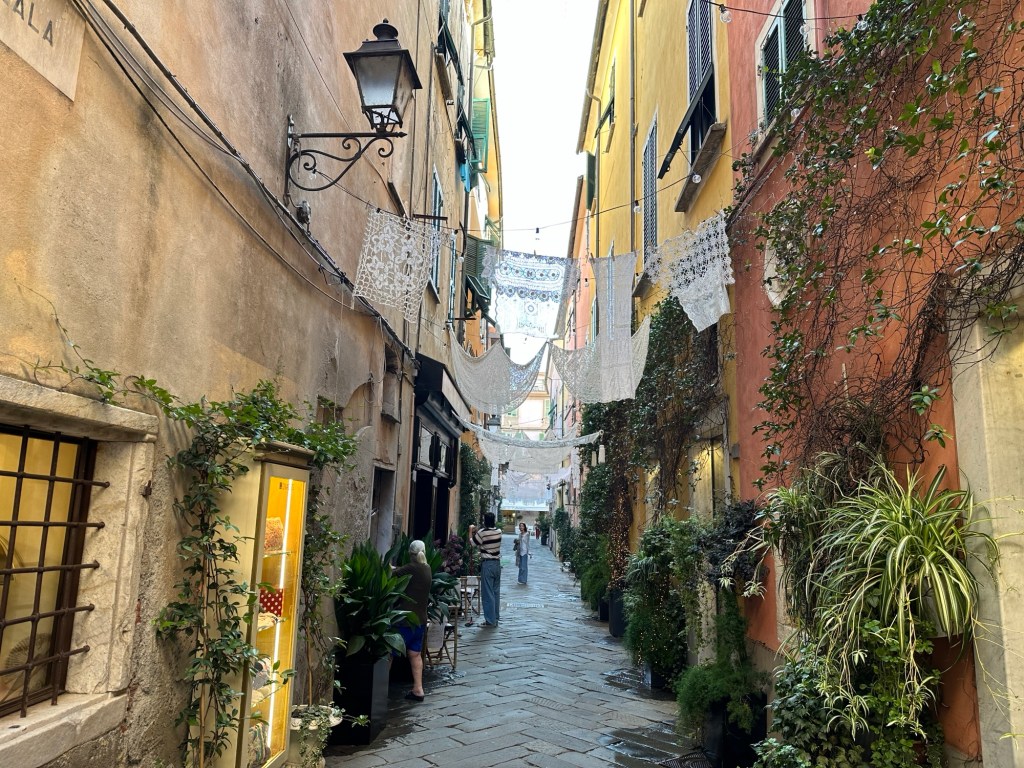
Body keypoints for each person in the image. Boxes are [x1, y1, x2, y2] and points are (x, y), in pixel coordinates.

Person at [392, 540, 432, 701]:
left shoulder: (411, 568)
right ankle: (418, 689)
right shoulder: (427, 568)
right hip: (420, 620)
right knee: (415, 655)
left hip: (405, 619)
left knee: (389, 653)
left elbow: (392, 574)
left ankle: (379, 689)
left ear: (410, 554)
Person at [468, 512, 503, 626]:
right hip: (497, 564)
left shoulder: (482, 532)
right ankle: (495, 617)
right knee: (495, 592)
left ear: (485, 521)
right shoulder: (499, 531)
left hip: (487, 564)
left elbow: (472, 543)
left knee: (487, 593)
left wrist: (470, 530)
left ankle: (490, 620)